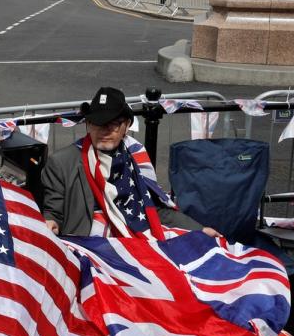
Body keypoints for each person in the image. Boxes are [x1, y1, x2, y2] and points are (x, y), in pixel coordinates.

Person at [39, 87, 221, 239]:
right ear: (88, 125)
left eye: (114, 124)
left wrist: (199, 230)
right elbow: (54, 213)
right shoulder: (62, 162)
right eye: (97, 123)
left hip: (132, 241)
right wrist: (51, 223)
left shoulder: (136, 157)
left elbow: (154, 209)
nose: (105, 130)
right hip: (88, 247)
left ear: (126, 126)